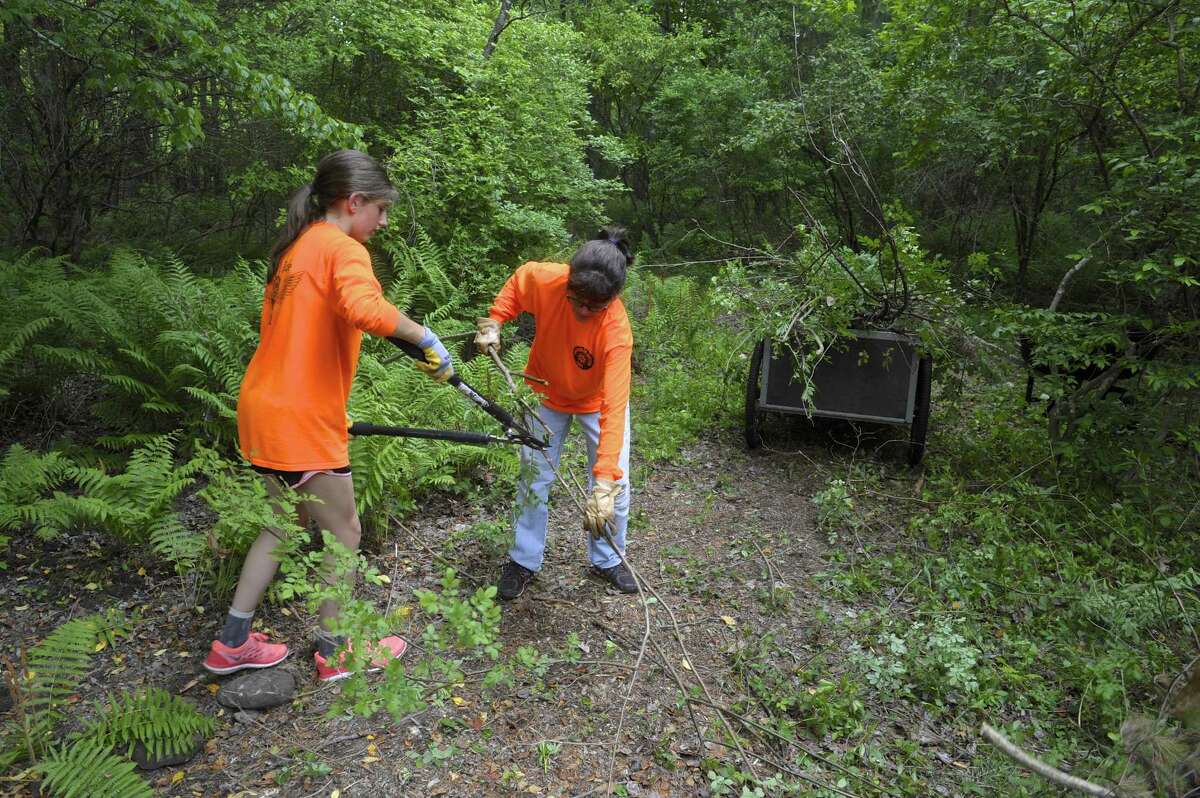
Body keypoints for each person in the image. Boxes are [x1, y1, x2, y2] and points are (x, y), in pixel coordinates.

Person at [203, 149, 455, 682]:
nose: (383, 223)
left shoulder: (297, 249)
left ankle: (230, 643)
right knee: (344, 530)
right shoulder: (341, 248)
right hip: (300, 419)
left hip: (263, 408)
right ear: (354, 202)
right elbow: (366, 309)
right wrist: (424, 336)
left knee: (283, 523)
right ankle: (335, 652)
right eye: (381, 210)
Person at [475, 227, 637, 599]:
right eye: (576, 299)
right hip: (546, 393)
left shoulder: (616, 332)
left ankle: (609, 558)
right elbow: (518, 283)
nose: (582, 310)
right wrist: (496, 320)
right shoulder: (549, 280)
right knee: (534, 477)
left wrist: (603, 481)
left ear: (611, 300)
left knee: (617, 487)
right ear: (568, 280)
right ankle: (523, 559)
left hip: (596, 404)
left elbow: (614, 407)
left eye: (592, 307)